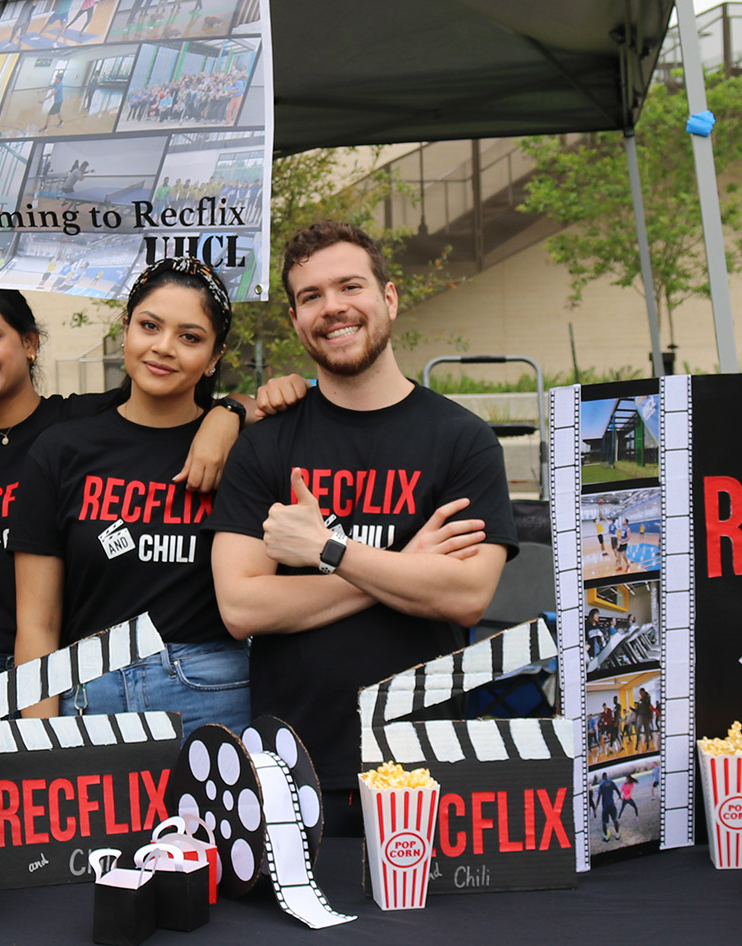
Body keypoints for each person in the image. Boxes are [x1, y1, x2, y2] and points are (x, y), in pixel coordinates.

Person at [208, 221, 516, 836]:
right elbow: (241, 606)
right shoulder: (266, 445)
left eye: (350, 286)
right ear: (296, 321)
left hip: (424, 766)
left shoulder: (462, 440)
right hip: (289, 771)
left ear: (390, 297)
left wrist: (328, 549)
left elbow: (464, 596)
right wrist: (405, 565)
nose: (333, 308)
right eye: (311, 296)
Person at [0, 288, 289, 764]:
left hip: (103, 672)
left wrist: (228, 411)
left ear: (30, 343)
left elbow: (170, 391)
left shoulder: (78, 421)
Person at [7, 259, 252, 736]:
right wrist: (37, 742)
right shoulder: (62, 451)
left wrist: (230, 414)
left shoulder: (241, 452)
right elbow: (37, 623)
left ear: (215, 356)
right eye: (149, 326)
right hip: (87, 692)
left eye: (190, 337)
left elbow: (309, 399)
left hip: (211, 694)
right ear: (125, 329)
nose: (163, 347)